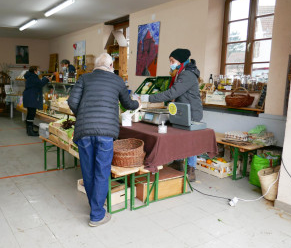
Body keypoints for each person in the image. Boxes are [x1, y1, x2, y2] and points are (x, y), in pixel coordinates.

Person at [68, 53, 139, 227]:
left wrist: (83, 116)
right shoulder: (117, 80)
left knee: (88, 169)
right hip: (105, 133)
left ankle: (95, 208)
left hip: (84, 131)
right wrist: (137, 103)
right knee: (101, 171)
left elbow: (72, 102)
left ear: (96, 65)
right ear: (110, 65)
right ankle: (97, 214)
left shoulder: (84, 78)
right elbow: (127, 104)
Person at [148, 48, 203, 182]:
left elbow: (173, 93)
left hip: (192, 113)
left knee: (191, 142)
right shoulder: (181, 72)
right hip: (183, 111)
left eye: (172, 60)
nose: (171, 63)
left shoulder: (188, 74)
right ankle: (178, 162)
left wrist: (148, 98)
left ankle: (191, 170)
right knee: (179, 138)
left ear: (180, 60)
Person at [22, 66, 52, 136]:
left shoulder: (29, 76)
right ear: (35, 71)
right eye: (38, 70)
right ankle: (30, 131)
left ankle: (29, 130)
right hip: (31, 97)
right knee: (31, 114)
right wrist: (46, 79)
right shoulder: (33, 77)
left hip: (29, 97)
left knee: (30, 113)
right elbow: (40, 84)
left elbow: (37, 83)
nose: (38, 71)